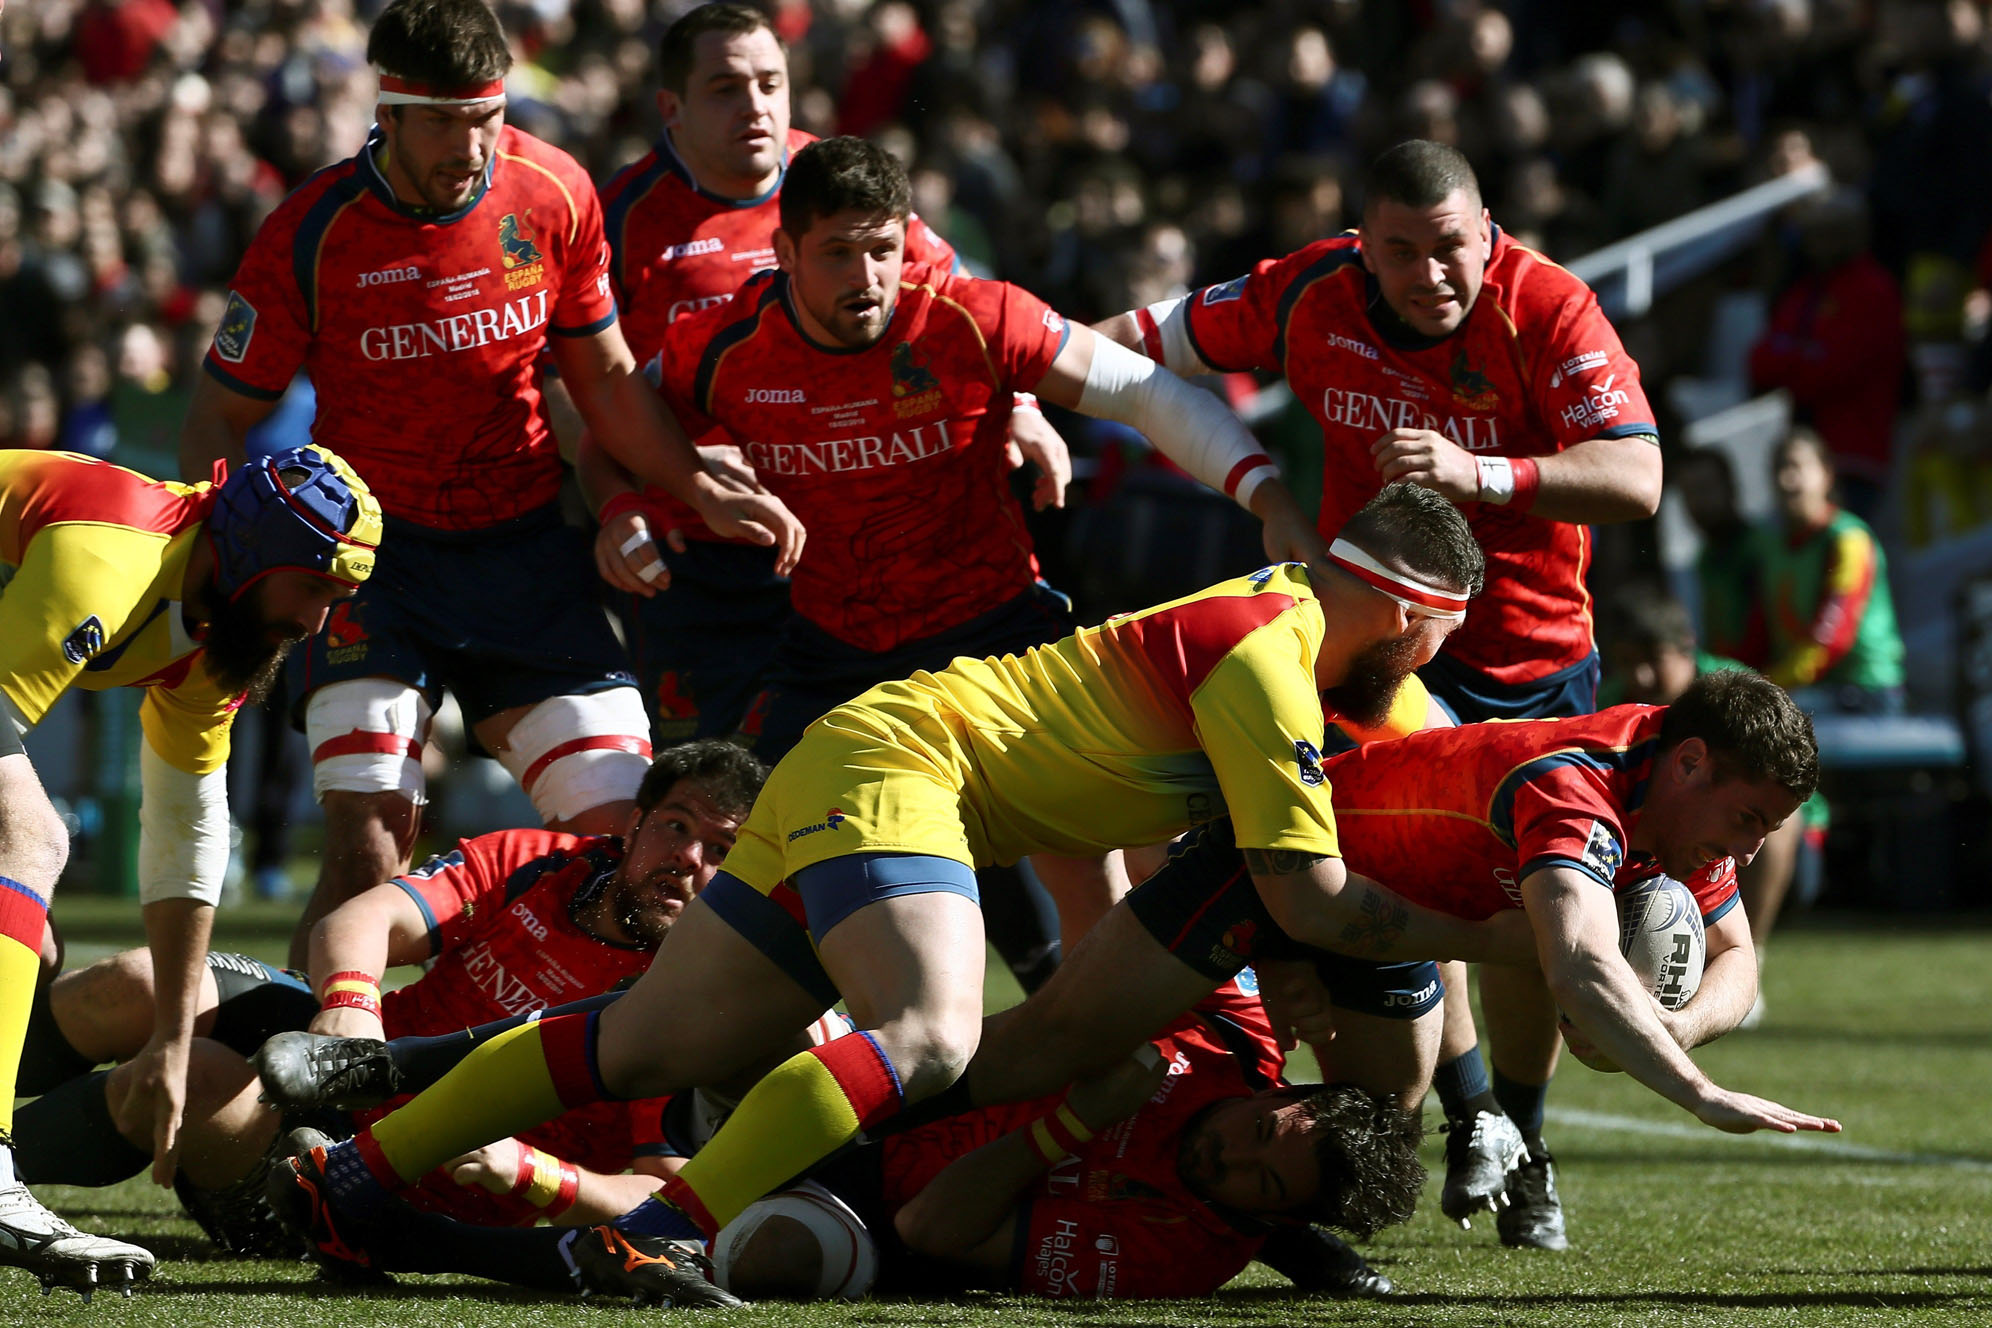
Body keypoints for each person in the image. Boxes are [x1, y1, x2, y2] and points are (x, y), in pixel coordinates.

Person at [267, 483, 1529, 1307]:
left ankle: (360, 1179)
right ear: (1419, 625)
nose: (1433, 667)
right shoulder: (1269, 658)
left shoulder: (1299, 635)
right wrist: (1495, 929)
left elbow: (1427, 749)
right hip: (908, 770)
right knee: (932, 1032)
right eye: (1441, 641)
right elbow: (1307, 897)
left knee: (639, 1041)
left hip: (874, 762)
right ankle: (654, 1232)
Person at [1095, 137, 1665, 1249]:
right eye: (1399, 251)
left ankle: (1523, 1133)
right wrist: (1043, 401)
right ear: (1364, 244)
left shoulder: (1546, 309)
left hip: (1526, 658)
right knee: (1379, 863)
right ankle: (1471, 1111)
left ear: (1487, 230)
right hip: (1373, 646)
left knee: (1521, 903)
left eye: (1448, 247)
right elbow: (1143, 342)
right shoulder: (1309, 288)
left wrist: (1482, 471)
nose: (1427, 274)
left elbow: (1637, 476)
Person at [588, 134, 1334, 960]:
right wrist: (627, 504)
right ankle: (703, 1056)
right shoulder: (722, 345)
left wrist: (1267, 496)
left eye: (883, 250)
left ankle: (1109, 1063)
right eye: (838, 253)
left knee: (1083, 863)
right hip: (836, 647)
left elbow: (1146, 392)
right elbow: (609, 425)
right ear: (784, 252)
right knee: (743, 844)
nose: (867, 277)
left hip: (995, 632)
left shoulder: (971, 318)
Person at [176, 0, 803, 969]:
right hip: (371, 567)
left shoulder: (552, 193)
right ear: (388, 111)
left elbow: (600, 378)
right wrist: (225, 570)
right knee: (372, 844)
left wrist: (689, 479)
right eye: (447, 121)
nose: (474, 146)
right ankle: (286, 1095)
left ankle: (589, 1092)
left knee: (621, 840)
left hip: (525, 553)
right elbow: (218, 417)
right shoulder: (311, 232)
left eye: (490, 117)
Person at [590, 2, 1071, 995]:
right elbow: (588, 399)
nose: (755, 107)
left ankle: (1046, 982)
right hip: (703, 573)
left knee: (946, 785)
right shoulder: (621, 221)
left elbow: (957, 313)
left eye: (769, 82)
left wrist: (1019, 409)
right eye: (726, 89)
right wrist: (622, 503)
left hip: (852, 561)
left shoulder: (836, 192)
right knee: (723, 807)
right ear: (672, 109)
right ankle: (699, 1048)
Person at [957, 669, 1838, 1171]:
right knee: (1059, 1039)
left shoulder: (1682, 804)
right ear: (1691, 764)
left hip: (1386, 929)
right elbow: (1577, 969)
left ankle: (1237, 1222)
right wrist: (1701, 1094)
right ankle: (881, 1101)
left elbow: (1737, 957)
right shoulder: (1573, 789)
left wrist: (1672, 1026)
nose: (1750, 852)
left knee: (1364, 1133)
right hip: (1269, 870)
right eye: (1748, 821)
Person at [9, 741, 762, 1260]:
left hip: (381, 1186)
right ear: (633, 826)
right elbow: (364, 918)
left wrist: (532, 1173)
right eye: (675, 827)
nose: (688, 861)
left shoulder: (693, 991)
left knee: (200, 1077)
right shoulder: (542, 865)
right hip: (343, 1071)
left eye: (721, 850)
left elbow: (666, 1197)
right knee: (142, 983)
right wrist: (350, 1013)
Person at [256, 981, 1420, 1302]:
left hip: (885, 1210)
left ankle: (391, 1220)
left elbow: (935, 1228)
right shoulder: (1230, 1029)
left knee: (758, 1258)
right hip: (884, 1070)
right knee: (705, 1008)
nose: (1231, 1164)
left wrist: (1072, 1120)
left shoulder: (1191, 1247)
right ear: (1298, 1092)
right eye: (1264, 1137)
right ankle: (393, 1090)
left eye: (1262, 1189)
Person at [0, 443, 380, 1296]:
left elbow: (184, 834)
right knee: (29, 840)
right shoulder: (114, 551)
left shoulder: (210, 641)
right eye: (315, 587)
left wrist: (174, 1040)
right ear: (251, 553)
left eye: (341, 599)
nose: (319, 624)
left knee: (34, 951)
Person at [1600, 587, 1828, 1027]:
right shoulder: (1611, 699)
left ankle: (1745, 951)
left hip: (1793, 864)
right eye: (1629, 662)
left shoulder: (1738, 693)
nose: (1641, 677)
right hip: (1647, 851)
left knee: (1766, 825)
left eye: (1653, 660)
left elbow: (1790, 798)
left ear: (1687, 649)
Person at [1762, 427, 1906, 712]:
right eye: (1779, 468)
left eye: (1797, 466)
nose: (1787, 479)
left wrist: (1768, 684)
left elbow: (1832, 639)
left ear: (1826, 474)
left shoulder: (1849, 539)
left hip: (1867, 691)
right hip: (1812, 688)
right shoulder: (1775, 547)